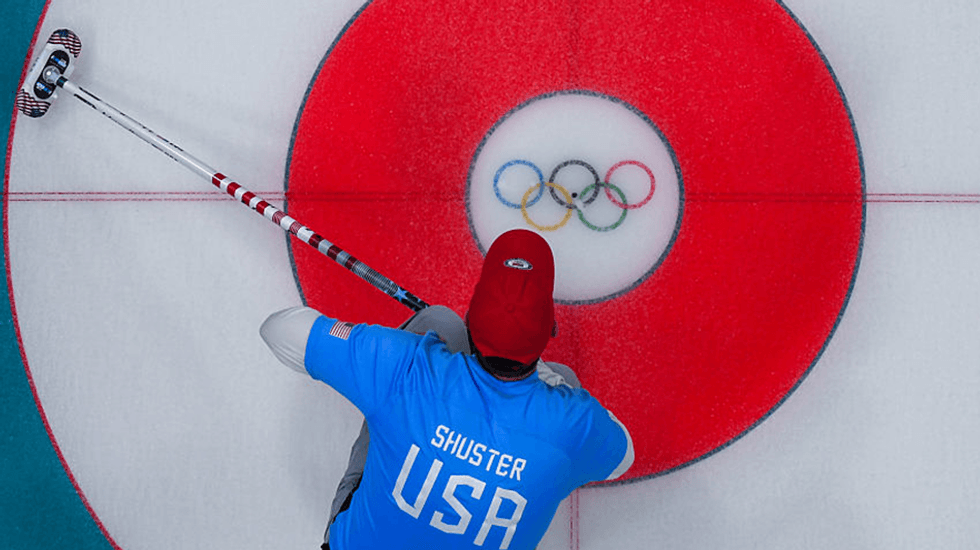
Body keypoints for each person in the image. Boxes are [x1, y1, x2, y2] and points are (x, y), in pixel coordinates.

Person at [260, 229, 634, 550]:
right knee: (565, 378)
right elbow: (623, 457)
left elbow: (278, 330)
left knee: (437, 322)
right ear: (548, 330)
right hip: (543, 409)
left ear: (473, 315)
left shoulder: (405, 368)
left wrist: (386, 352)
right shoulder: (572, 423)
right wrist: (550, 383)